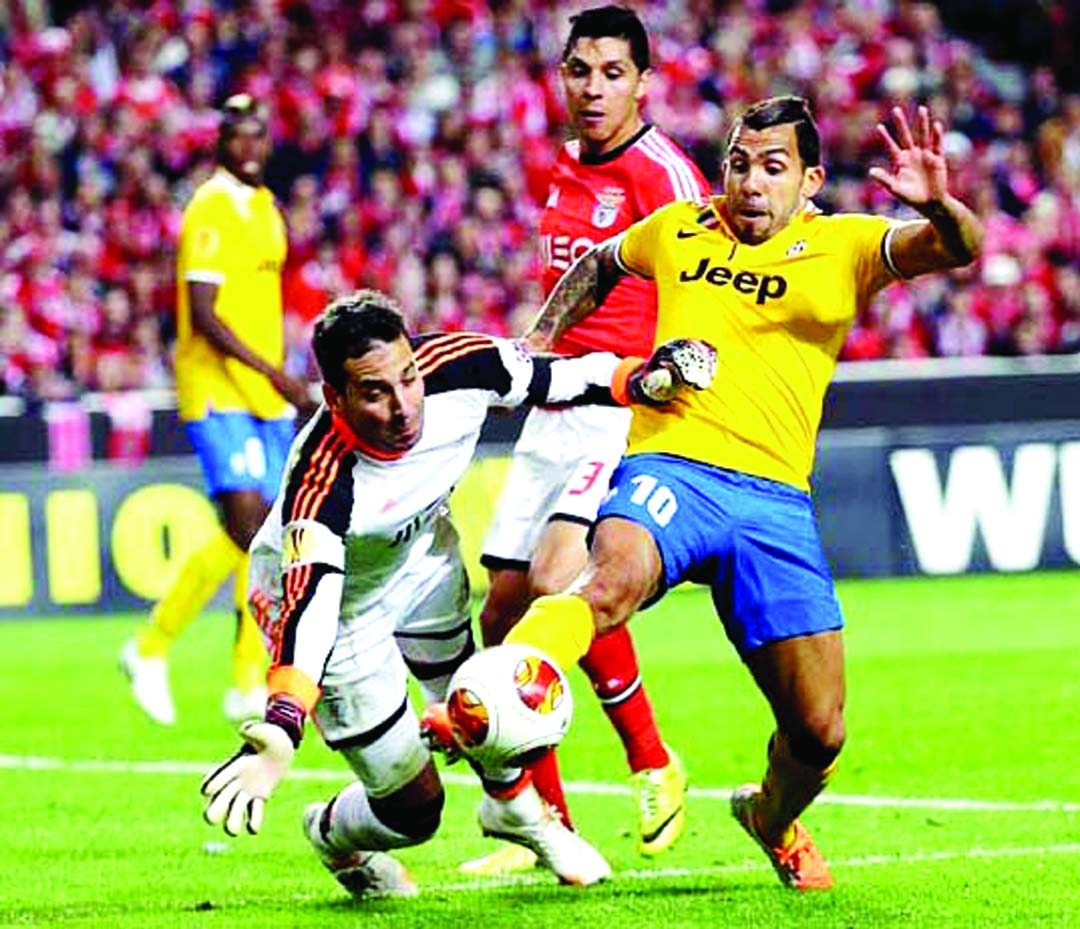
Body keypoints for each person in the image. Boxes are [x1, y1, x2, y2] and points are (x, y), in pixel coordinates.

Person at [496, 97, 984, 890]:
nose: (750, 182)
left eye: (772, 167)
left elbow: (960, 248)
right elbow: (597, 265)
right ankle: (501, 689)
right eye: (739, 163)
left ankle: (770, 816)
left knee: (820, 730)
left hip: (775, 504)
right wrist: (537, 343)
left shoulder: (845, 244)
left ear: (810, 180)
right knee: (607, 582)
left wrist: (938, 204)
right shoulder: (681, 227)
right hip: (672, 468)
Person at [197, 290, 715, 897]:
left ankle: (518, 814)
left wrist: (646, 378)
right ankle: (332, 835)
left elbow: (564, 377)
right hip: (336, 612)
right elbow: (311, 603)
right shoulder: (322, 482)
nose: (402, 407)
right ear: (334, 399)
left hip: (421, 556)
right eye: (374, 392)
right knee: (416, 812)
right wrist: (284, 725)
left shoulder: (459, 364)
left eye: (408, 378)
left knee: (480, 696)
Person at [469, 4, 710, 875]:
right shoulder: (567, 164)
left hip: (621, 403)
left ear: (645, 82)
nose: (594, 87)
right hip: (553, 405)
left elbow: (706, 287)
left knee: (555, 585)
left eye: (613, 72)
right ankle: (544, 826)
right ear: (561, 77)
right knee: (498, 613)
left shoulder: (663, 173)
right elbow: (568, 284)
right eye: (581, 71)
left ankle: (654, 761)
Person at [120, 94, 311, 726]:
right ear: (221, 144)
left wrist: (280, 373)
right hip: (217, 388)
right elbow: (204, 316)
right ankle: (150, 648)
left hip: (263, 395)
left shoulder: (265, 209)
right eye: (239, 137)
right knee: (245, 523)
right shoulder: (211, 206)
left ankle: (243, 682)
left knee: (266, 537)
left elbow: (261, 303)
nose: (252, 147)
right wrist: (277, 374)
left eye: (260, 135)